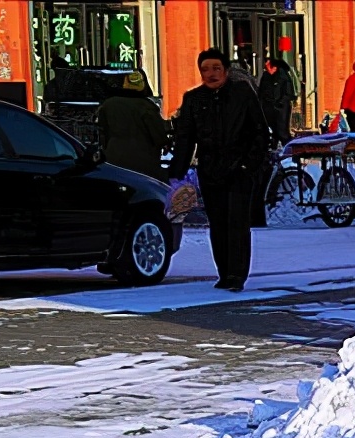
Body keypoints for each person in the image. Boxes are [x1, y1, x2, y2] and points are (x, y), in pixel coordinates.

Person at [169, 48, 270, 292]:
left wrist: (249, 165)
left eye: (216, 68)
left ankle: (236, 275)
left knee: (236, 223)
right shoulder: (194, 99)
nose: (210, 74)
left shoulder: (242, 93)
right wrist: (176, 172)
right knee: (217, 224)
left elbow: (260, 132)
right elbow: (185, 138)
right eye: (205, 69)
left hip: (239, 170)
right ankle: (224, 273)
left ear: (225, 70)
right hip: (210, 170)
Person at [96, 70, 167, 181]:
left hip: (113, 161)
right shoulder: (147, 107)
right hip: (144, 165)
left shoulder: (109, 105)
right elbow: (159, 137)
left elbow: (102, 133)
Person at [258, 56, 296, 145]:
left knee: (282, 132)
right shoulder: (265, 76)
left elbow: (288, 92)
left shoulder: (283, 76)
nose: (265, 65)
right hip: (268, 108)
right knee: (272, 132)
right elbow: (261, 92)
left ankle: (287, 149)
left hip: (281, 108)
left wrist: (281, 102)